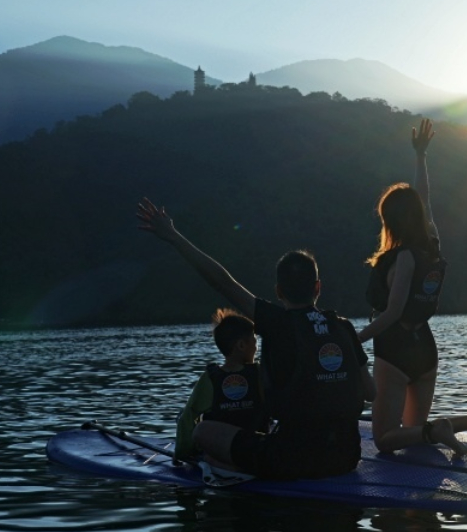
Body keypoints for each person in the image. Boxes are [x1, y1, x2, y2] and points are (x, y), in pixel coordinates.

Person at [137, 198, 376, 479]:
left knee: (204, 431)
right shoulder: (343, 327)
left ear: (278, 291)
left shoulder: (276, 323)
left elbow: (223, 282)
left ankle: (236, 470)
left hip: (293, 460)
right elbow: (371, 393)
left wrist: (174, 237)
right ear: (318, 288)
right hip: (347, 457)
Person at [357, 118, 467, 457]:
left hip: (395, 348)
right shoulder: (431, 244)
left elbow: (392, 312)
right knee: (413, 433)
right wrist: (421, 157)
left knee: (385, 440)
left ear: (390, 221)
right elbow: (425, 199)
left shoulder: (403, 258)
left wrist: (354, 338)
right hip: (425, 347)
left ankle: (440, 430)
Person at [174, 308, 266, 462]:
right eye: (255, 341)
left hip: (224, 451)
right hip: (258, 447)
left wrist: (181, 454)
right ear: (242, 345)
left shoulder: (210, 378)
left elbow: (188, 417)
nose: (256, 347)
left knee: (182, 416)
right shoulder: (260, 373)